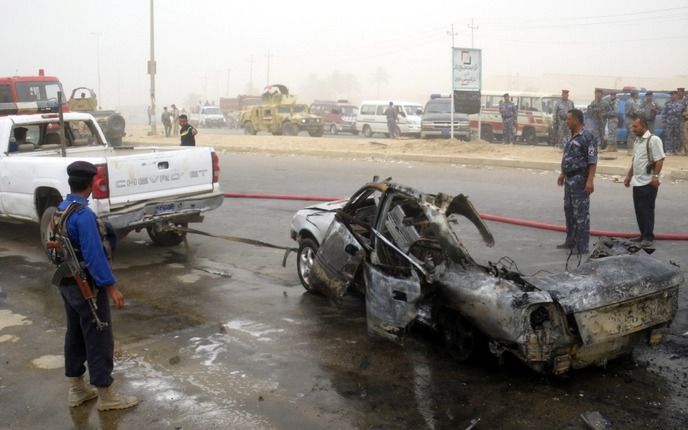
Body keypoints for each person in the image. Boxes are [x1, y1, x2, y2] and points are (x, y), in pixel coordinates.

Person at [55, 161, 138, 411]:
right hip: (87, 286)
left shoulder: (62, 208)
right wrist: (110, 287)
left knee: (76, 332)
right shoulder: (82, 215)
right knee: (99, 336)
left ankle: (77, 389)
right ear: (91, 184)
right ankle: (106, 395)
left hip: (67, 283)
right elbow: (94, 256)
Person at [556, 109, 598, 255]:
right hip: (569, 179)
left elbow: (592, 161)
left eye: (568, 119)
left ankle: (582, 246)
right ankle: (570, 241)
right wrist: (563, 173)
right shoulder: (571, 136)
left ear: (576, 120)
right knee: (569, 211)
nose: (566, 122)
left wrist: (590, 181)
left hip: (580, 180)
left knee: (581, 214)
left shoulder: (587, 137)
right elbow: (568, 156)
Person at [623, 117, 665, 248]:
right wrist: (629, 176)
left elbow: (659, 160)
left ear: (644, 126)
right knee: (639, 210)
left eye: (635, 127)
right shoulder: (637, 141)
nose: (633, 129)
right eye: (633, 127)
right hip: (637, 182)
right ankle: (642, 234)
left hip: (648, 182)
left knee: (647, 210)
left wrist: (655, 176)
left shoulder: (654, 140)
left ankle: (648, 236)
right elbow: (635, 161)